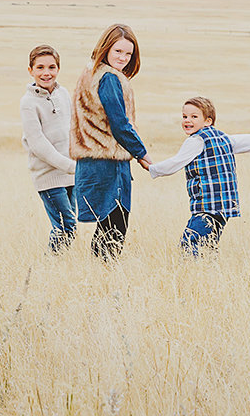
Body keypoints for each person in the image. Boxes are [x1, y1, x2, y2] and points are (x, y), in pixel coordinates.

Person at [146, 96, 250, 255]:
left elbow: (176, 163)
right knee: (208, 245)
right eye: (184, 116)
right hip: (224, 208)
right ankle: (209, 273)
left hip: (206, 206)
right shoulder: (224, 138)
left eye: (194, 116)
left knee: (189, 243)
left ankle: (193, 273)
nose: (187, 120)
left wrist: (152, 168)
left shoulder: (196, 141)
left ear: (208, 121)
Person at [71, 23, 152, 260]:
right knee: (114, 229)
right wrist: (141, 154)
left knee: (107, 228)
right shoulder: (108, 78)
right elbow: (119, 123)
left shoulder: (89, 73)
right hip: (109, 161)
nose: (124, 58)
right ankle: (103, 279)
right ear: (105, 47)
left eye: (128, 53)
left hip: (92, 160)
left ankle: (100, 278)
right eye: (118, 51)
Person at [19, 44, 80, 252]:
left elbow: (73, 128)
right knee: (66, 226)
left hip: (71, 172)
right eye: (40, 67)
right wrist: (71, 166)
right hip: (49, 175)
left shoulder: (63, 93)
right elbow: (38, 144)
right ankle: (52, 263)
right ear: (31, 71)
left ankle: (58, 265)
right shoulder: (28, 102)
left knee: (69, 225)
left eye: (52, 67)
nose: (46, 73)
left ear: (58, 69)